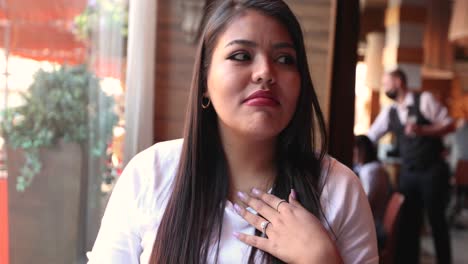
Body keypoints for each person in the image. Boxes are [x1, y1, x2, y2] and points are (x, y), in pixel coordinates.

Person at [88, 0, 378, 263]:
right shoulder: (150, 174)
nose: (265, 71)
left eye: (285, 59)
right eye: (241, 56)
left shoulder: (339, 190)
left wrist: (323, 259)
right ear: (204, 81)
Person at [368, 69, 454, 264]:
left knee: (436, 221)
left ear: (398, 81)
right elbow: (371, 136)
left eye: (386, 82)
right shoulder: (390, 112)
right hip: (408, 173)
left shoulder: (424, 99)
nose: (384, 86)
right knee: (408, 224)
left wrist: (423, 130)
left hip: (432, 170)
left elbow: (449, 125)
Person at [353, 135, 392, 251]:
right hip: (377, 221)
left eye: (354, 148)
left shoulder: (370, 171)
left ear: (361, 150)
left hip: (373, 226)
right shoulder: (377, 168)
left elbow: (365, 204)